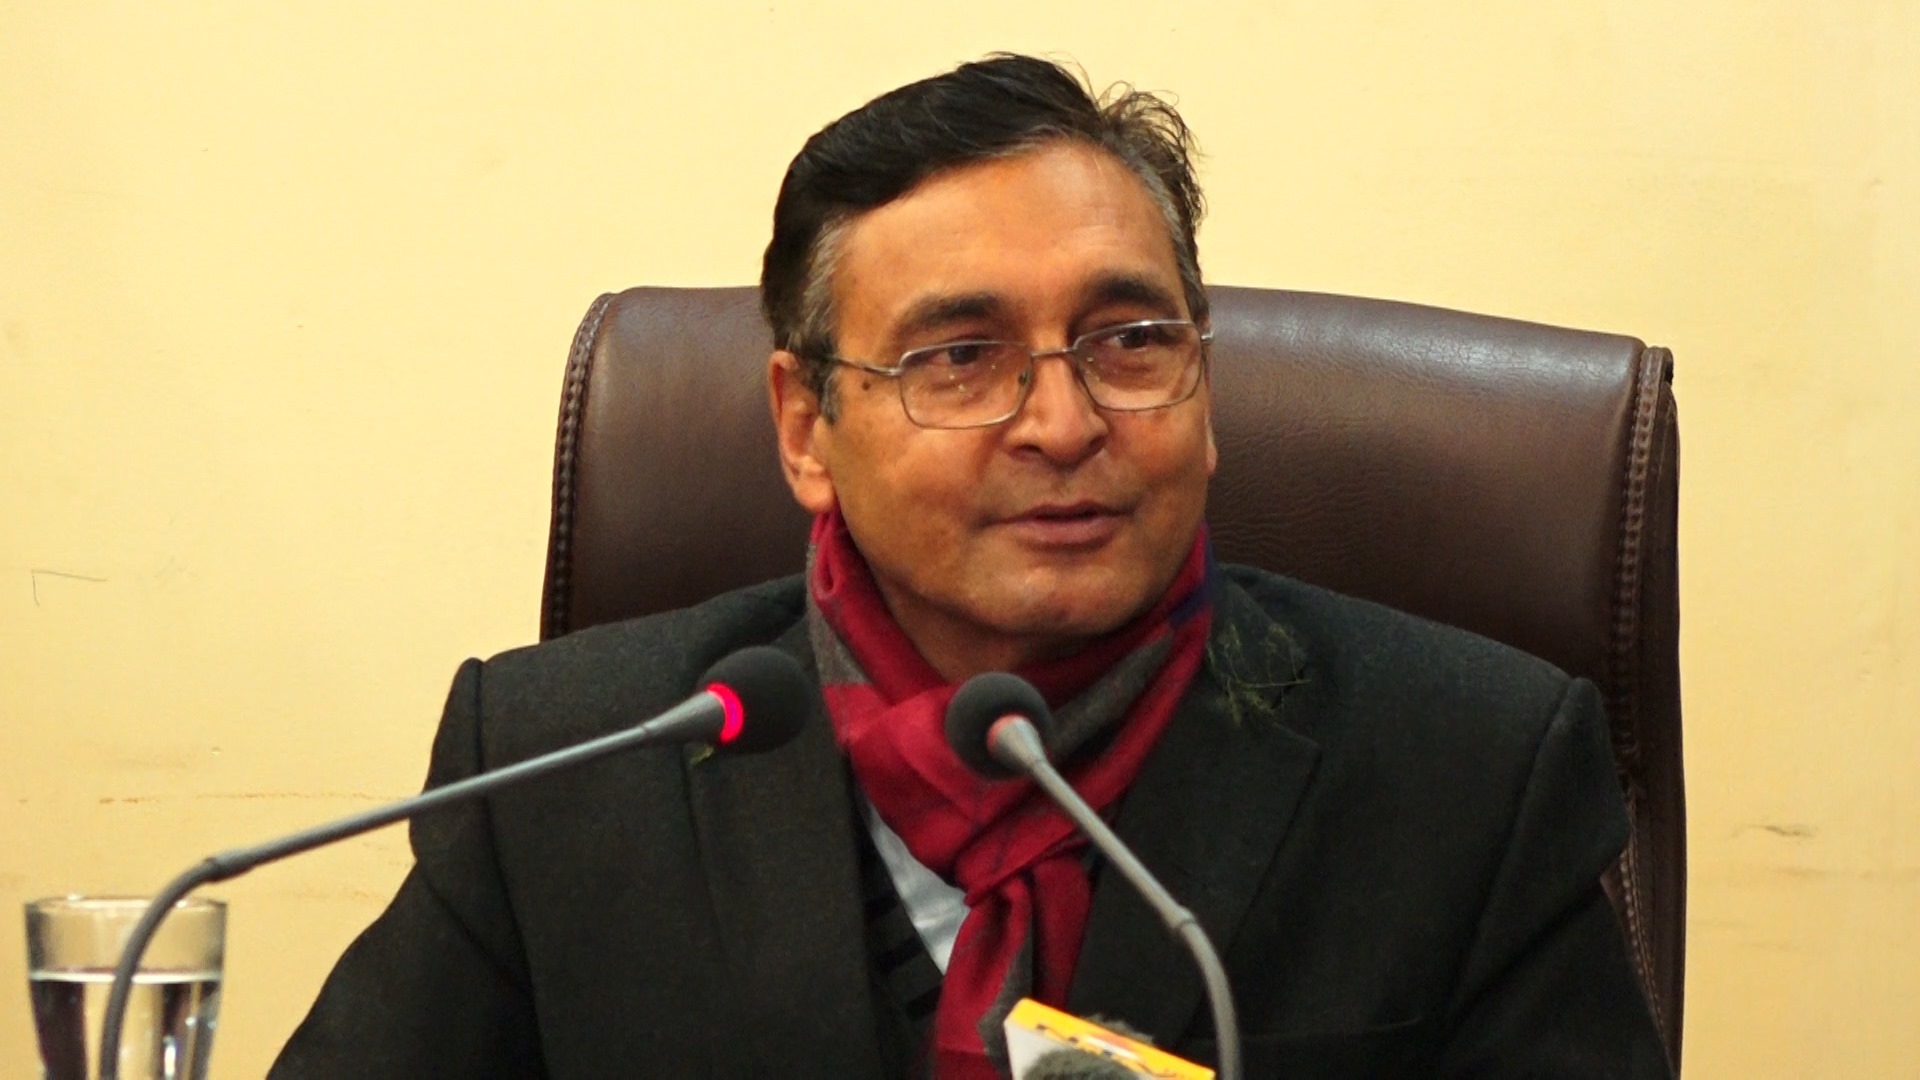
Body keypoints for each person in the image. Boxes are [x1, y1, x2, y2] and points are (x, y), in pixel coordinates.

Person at [272, 55, 1671, 1078]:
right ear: (806, 427)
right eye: (959, 358)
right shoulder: (562, 767)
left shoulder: (1473, 772)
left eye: (1132, 341)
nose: (1063, 424)